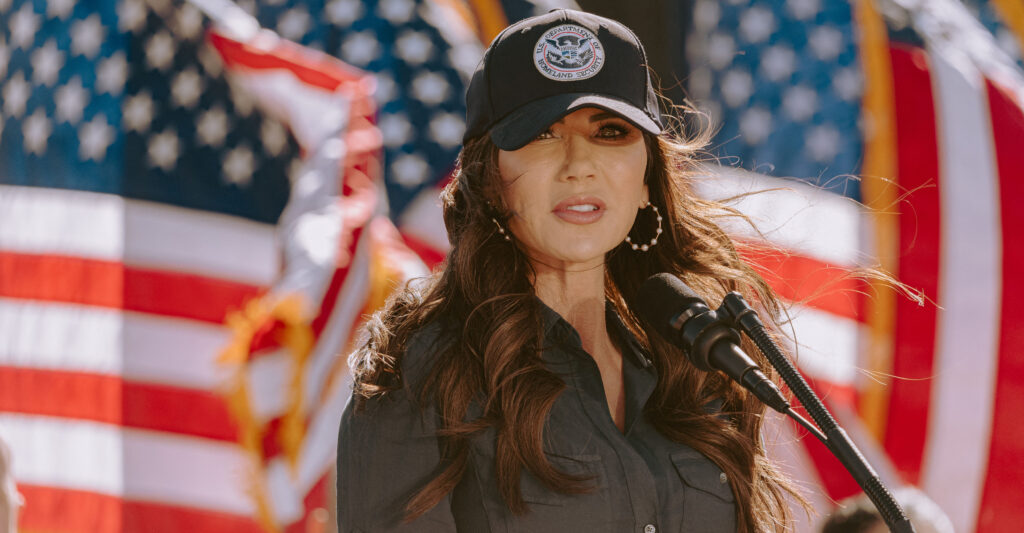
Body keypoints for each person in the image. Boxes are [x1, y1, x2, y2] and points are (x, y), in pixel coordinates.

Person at [337, 9, 800, 532]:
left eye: (610, 131)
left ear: (646, 177)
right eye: (542, 134)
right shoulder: (425, 369)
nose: (579, 163)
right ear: (491, 178)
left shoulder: (696, 370)